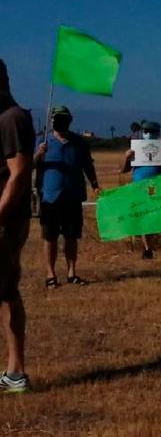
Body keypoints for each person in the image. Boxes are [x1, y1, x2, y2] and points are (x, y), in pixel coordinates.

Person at [34, 106, 99, 288]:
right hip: (50, 196)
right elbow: (31, 165)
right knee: (50, 237)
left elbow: (88, 166)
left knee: (71, 236)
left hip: (73, 195)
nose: (60, 121)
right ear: (51, 121)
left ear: (70, 120)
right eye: (57, 118)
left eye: (64, 118)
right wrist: (39, 154)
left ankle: (72, 273)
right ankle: (50, 274)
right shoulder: (42, 141)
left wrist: (95, 185)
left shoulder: (79, 142)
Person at [0, 60, 34, 393]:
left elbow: (20, 173)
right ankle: (14, 372)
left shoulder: (11, 118)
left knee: (6, 291)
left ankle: (16, 371)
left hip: (5, 221)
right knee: (6, 292)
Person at [121, 120, 161, 260]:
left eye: (152, 132)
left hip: (159, 186)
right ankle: (147, 249)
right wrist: (127, 158)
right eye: (146, 131)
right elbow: (124, 170)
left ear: (158, 133)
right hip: (140, 187)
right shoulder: (136, 150)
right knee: (144, 216)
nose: (148, 134)